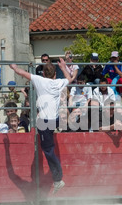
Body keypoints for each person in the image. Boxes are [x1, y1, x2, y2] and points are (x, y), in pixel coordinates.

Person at [9, 58, 78, 194]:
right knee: (48, 148)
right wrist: (63, 67)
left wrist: (14, 68)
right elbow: (69, 79)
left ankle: (58, 179)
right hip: (55, 120)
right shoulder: (58, 82)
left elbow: (23, 73)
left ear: (44, 74)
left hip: (45, 121)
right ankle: (57, 178)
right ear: (54, 75)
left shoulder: (39, 80)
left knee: (48, 151)